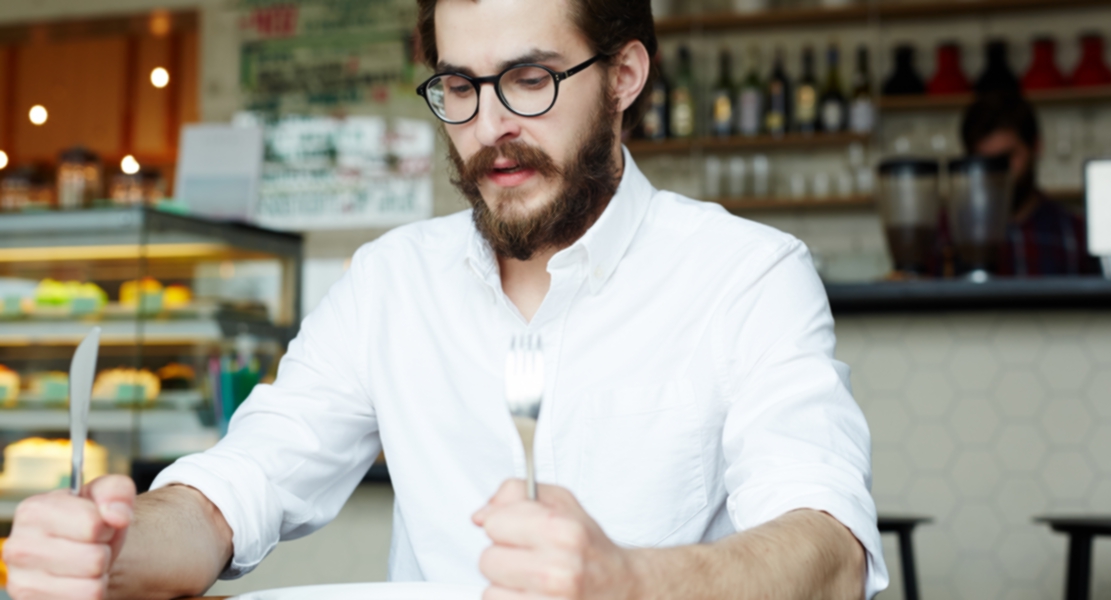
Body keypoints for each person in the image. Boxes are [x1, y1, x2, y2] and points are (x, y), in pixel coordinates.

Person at [3, 1, 886, 598]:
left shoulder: (746, 272)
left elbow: (828, 545)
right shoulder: (392, 280)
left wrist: (631, 582)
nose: (490, 126)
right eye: (459, 87)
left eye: (530, 78)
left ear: (624, 76)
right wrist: (113, 549)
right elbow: (241, 487)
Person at [959, 93, 1102, 276]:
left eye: (1007, 157)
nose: (998, 172)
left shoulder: (1076, 234)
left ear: (1036, 147)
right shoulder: (946, 237)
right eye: (986, 161)